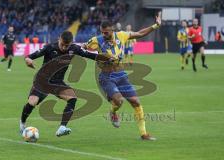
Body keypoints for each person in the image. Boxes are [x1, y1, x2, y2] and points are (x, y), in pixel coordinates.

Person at [83, 13, 161, 141]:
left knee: (136, 102)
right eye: (102, 32)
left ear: (112, 30)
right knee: (119, 101)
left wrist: (155, 25)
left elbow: (140, 34)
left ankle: (144, 134)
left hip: (121, 75)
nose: (104, 35)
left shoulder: (122, 35)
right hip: (106, 77)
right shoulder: (96, 40)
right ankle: (113, 112)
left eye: (106, 32)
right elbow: (83, 48)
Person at [20, 31, 111, 137]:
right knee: (32, 103)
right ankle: (22, 124)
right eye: (62, 44)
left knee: (72, 98)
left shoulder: (74, 49)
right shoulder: (50, 47)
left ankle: (62, 127)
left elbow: (90, 55)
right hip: (42, 80)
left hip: (57, 82)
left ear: (71, 42)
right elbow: (29, 56)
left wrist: (107, 58)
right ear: (59, 39)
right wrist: (28, 60)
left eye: (66, 45)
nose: (64, 47)